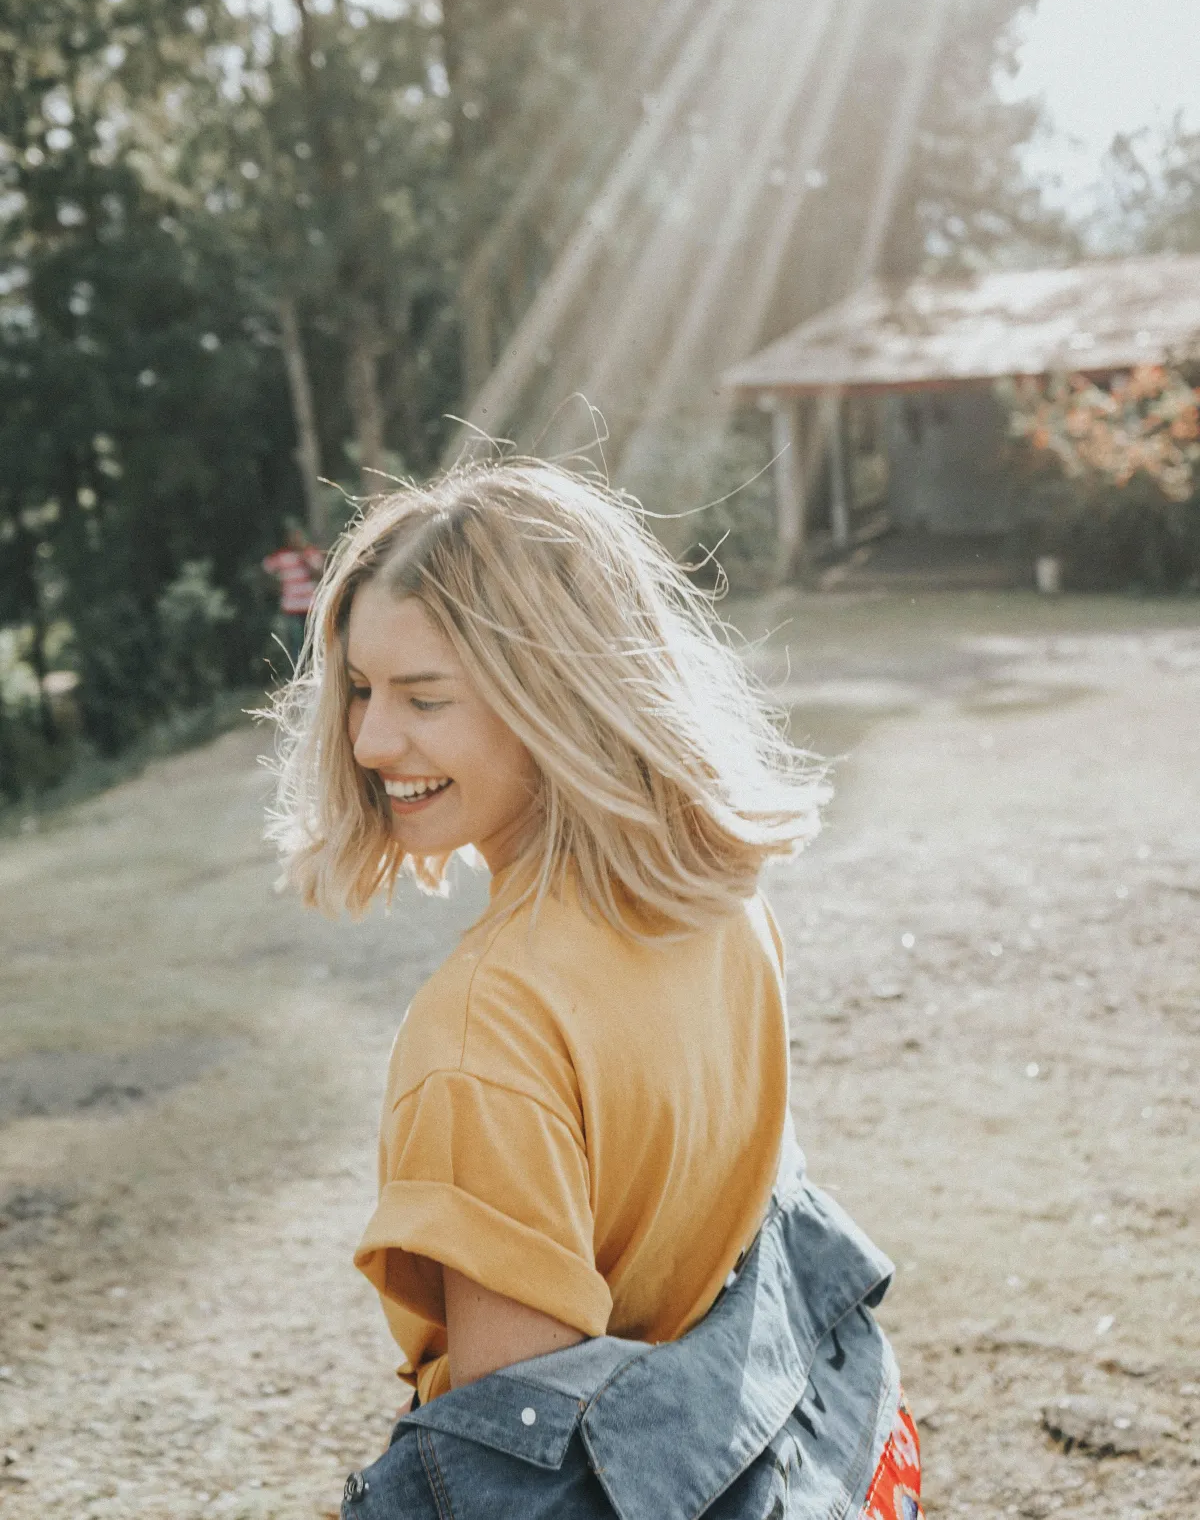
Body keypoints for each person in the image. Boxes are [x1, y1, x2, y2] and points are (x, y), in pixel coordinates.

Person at [267, 461, 923, 1520]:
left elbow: (524, 1477)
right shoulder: (717, 901)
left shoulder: (488, 1027)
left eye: (423, 696)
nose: (370, 741)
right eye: (358, 686)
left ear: (552, 695)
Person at [262, 522, 324, 666]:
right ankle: (298, 672)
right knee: (296, 643)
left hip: (310, 606)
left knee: (313, 641)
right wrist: (276, 586)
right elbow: (265, 569)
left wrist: (303, 557)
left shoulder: (311, 553)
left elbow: (319, 572)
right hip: (291, 607)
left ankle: (314, 669)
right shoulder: (282, 556)